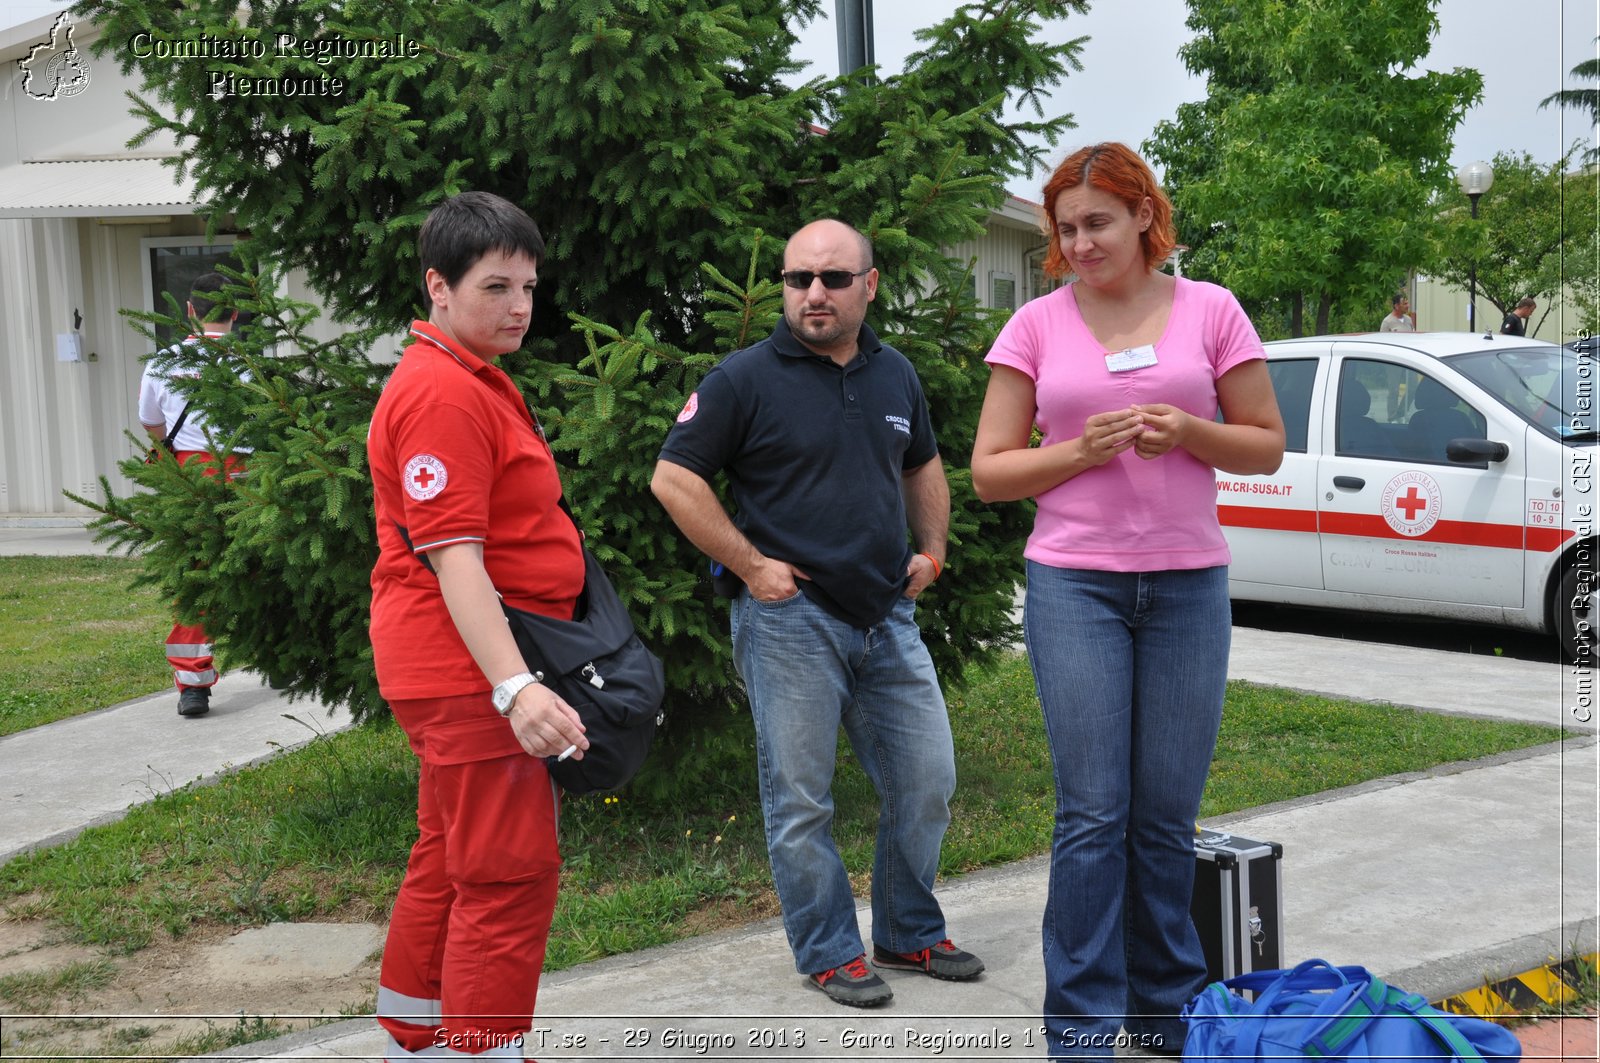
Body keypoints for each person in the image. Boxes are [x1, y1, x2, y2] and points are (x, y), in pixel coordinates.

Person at [970, 143, 1285, 1061]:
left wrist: (1188, 430)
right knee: (1094, 812)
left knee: (1164, 814)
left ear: (1146, 214)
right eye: (1065, 229)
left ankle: (1163, 1011)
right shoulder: (1034, 325)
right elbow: (991, 471)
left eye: (1097, 222)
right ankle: (1079, 1025)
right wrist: (1079, 451)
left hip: (1189, 583)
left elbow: (1265, 445)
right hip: (1076, 582)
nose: (1079, 242)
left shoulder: (1213, 309)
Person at [651, 219, 984, 1008]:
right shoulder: (743, 378)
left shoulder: (894, 373)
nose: (814, 293)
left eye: (834, 278)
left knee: (929, 778)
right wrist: (752, 565)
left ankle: (907, 930)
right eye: (798, 278)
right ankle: (829, 948)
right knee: (801, 798)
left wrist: (931, 551)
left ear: (869, 285)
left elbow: (923, 463)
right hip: (790, 621)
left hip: (886, 616)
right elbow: (674, 478)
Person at [367, 191, 591, 1061]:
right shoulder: (441, 393)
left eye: (529, 286)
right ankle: (483, 1050)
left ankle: (415, 1041)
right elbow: (453, 555)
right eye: (496, 286)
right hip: (467, 674)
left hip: (452, 670)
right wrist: (516, 687)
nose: (520, 307)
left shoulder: (463, 375)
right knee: (507, 873)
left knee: (449, 854)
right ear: (439, 286)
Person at [136, 272, 251, 718]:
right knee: (262, 565)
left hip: (190, 476)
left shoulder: (163, 362)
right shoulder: (246, 363)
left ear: (190, 310)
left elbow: (151, 422)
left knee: (196, 579)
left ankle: (193, 686)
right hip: (247, 477)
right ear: (236, 313)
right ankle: (281, 658)